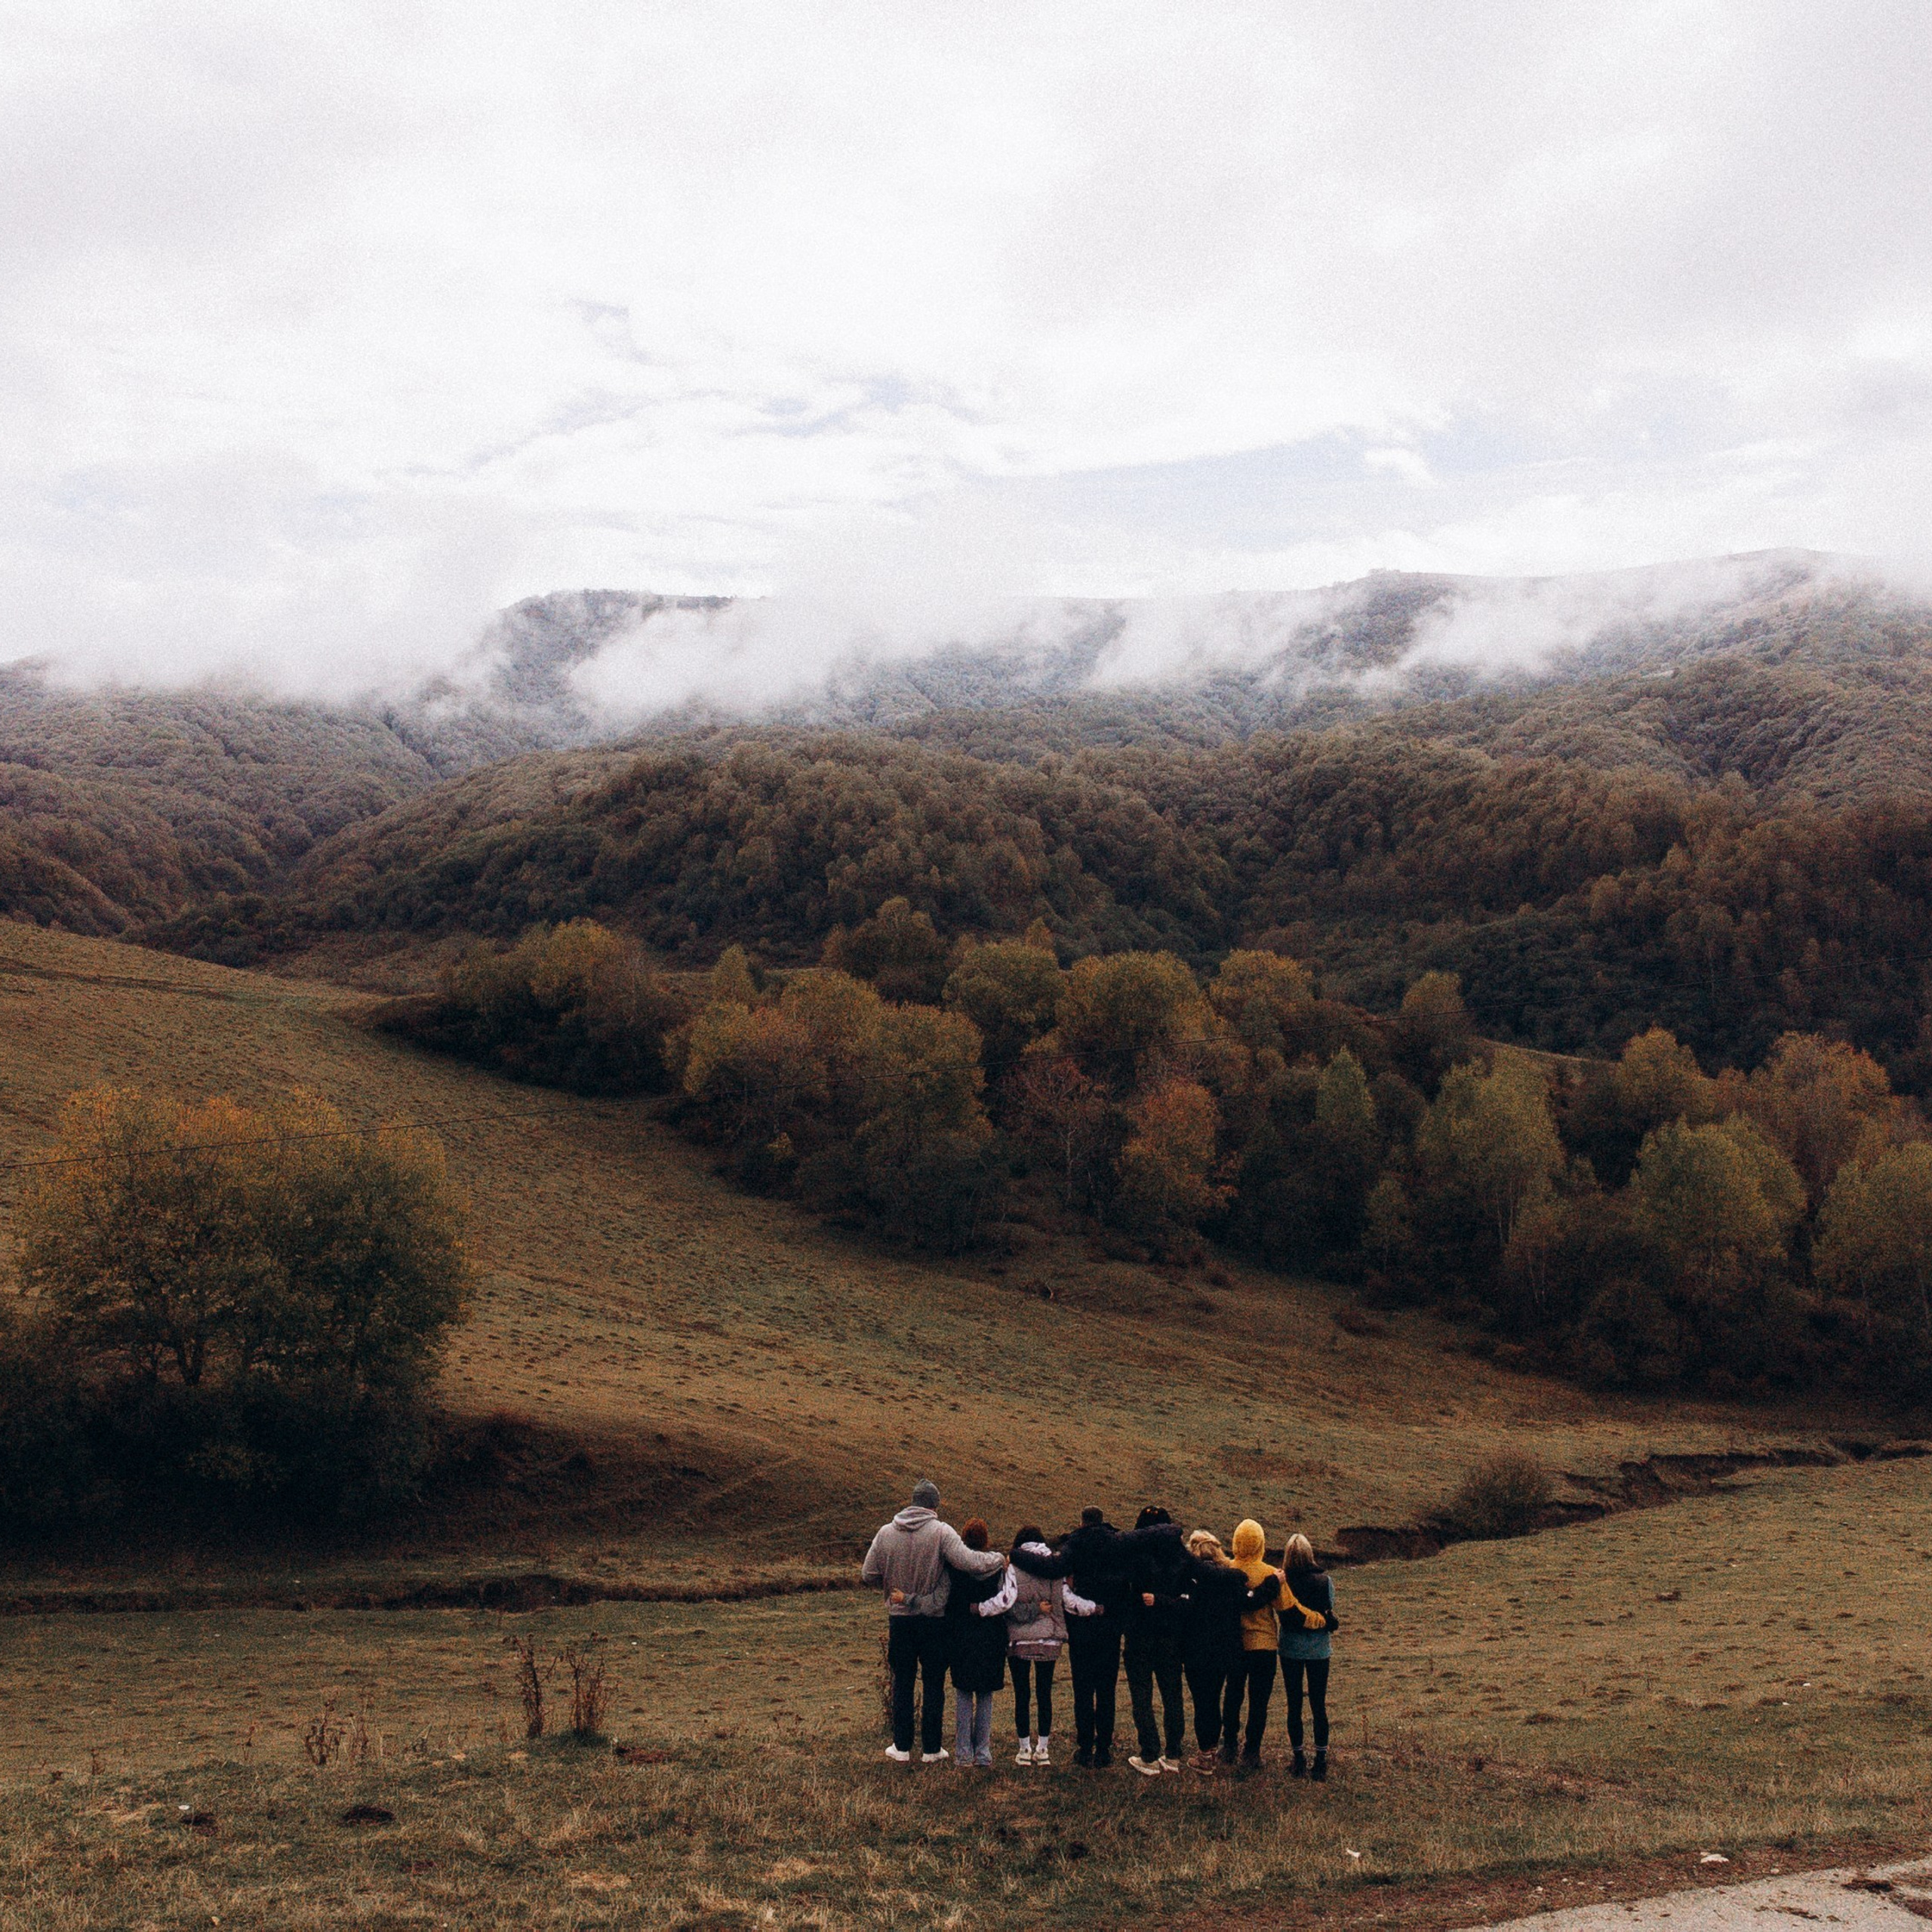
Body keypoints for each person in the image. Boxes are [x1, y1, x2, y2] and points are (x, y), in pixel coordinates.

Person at [860, 1478, 1006, 1764]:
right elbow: (970, 1563)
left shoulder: (885, 1532)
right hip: (933, 1622)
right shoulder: (941, 1532)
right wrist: (999, 1558)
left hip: (900, 1620)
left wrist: (891, 1587)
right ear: (934, 1505)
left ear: (912, 1501)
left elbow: (868, 1574)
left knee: (902, 1681)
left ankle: (901, 1747)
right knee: (933, 1682)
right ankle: (931, 1749)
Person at [1221, 1518, 1325, 1768]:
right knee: (1259, 1701)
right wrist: (1319, 1620)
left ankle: (1229, 1745)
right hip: (1263, 1647)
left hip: (1234, 1645)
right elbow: (1291, 1611)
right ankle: (1252, 1751)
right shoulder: (1271, 1574)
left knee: (1232, 1696)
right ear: (1261, 1545)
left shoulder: (1226, 1569)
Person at [1180, 1527, 1276, 1766]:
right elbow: (1251, 1601)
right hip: (1232, 1649)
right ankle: (1248, 1751)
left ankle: (1218, 1749)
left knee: (1216, 1700)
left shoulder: (1189, 1581)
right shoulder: (1232, 1577)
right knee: (1245, 1700)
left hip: (1197, 1651)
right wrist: (1274, 1582)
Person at [1118, 1505, 1190, 1775]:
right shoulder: (1178, 1556)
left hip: (1138, 1632)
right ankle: (1173, 1752)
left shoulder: (1133, 1554)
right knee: (1172, 1692)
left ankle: (1149, 1752)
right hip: (1170, 1633)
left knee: (1142, 1692)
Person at [945, 1518, 1015, 1770]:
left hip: (962, 1634)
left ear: (963, 1538)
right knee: (985, 1695)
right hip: (991, 1635)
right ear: (986, 1540)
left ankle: (963, 1754)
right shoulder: (998, 1567)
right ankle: (983, 1753)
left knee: (963, 1693)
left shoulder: (955, 1566)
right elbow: (1005, 1598)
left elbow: (948, 1600)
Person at [1059, 1506, 1125, 1768]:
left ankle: (1085, 1747)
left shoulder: (1075, 1543)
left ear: (1083, 1521)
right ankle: (1104, 1749)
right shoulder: (1117, 1543)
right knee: (1107, 1689)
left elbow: (1061, 1568)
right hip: (1109, 1625)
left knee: (1083, 1688)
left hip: (1082, 1627)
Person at [1002, 1525, 1066, 1766]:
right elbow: (1062, 1601)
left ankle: (1023, 1749)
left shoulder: (1013, 1567)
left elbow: (1007, 1603)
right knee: (1044, 1693)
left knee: (1022, 1693)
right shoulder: (1054, 1566)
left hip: (1019, 1638)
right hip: (1048, 1637)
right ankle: (1043, 1748)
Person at [1277, 1532, 1339, 1780]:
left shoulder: (1284, 1582)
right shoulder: (1325, 1581)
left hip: (1290, 1648)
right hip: (1319, 1650)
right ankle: (1321, 1761)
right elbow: (1329, 1608)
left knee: (1294, 1703)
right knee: (1318, 1703)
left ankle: (1299, 1758)